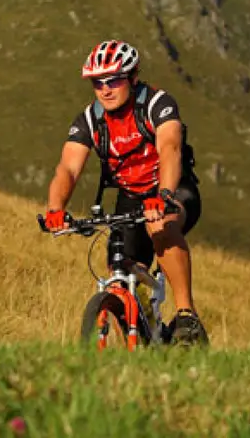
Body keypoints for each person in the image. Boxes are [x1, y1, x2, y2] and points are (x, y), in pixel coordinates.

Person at [43, 39, 208, 345]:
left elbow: (170, 148)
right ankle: (141, 333)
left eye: (114, 80)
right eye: (97, 83)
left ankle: (187, 316)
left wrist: (165, 194)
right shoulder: (91, 120)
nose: (105, 89)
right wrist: (55, 209)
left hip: (173, 189)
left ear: (132, 78)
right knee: (121, 267)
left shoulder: (157, 103)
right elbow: (68, 168)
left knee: (159, 225)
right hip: (131, 196)